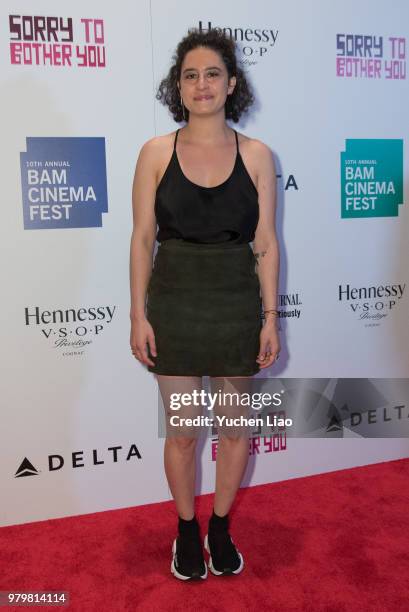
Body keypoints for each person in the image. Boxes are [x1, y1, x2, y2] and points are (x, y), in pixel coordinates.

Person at [129, 28, 280, 581]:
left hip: (236, 304)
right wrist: (137, 314)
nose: (201, 84)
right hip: (175, 303)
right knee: (185, 431)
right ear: (179, 86)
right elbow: (143, 238)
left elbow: (265, 244)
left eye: (212, 73)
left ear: (231, 83)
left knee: (236, 428)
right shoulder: (154, 153)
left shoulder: (258, 156)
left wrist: (270, 319)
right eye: (190, 75)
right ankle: (187, 528)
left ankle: (220, 525)